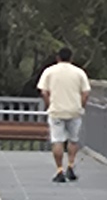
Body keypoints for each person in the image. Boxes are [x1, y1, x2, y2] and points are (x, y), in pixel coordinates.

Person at [36, 50, 92, 183]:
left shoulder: (49, 71)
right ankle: (71, 166)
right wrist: (81, 106)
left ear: (58, 58)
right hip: (74, 111)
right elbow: (85, 93)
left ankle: (59, 170)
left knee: (57, 140)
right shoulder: (79, 72)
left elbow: (44, 92)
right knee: (73, 140)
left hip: (56, 110)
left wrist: (49, 104)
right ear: (71, 58)